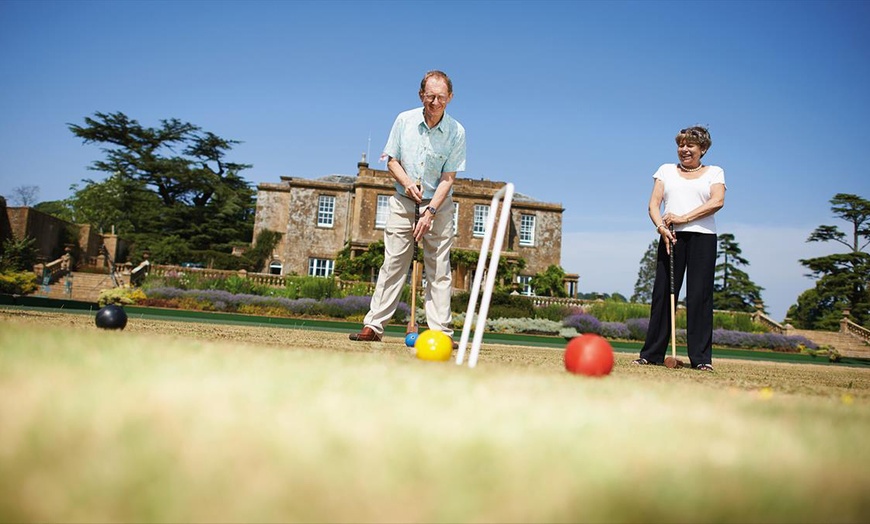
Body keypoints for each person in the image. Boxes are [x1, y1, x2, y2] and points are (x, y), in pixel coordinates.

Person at [349, 70, 466, 344]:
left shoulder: (457, 132)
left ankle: (441, 333)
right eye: (430, 96)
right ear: (420, 95)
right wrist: (408, 184)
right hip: (403, 201)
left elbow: (449, 178)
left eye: (440, 97)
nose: (434, 103)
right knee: (393, 263)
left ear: (450, 97)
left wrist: (430, 211)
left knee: (439, 269)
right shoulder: (404, 120)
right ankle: (374, 326)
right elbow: (391, 160)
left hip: (438, 205)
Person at [632, 126, 726, 371]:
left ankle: (702, 359)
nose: (684, 150)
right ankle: (651, 354)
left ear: (702, 149)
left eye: (690, 145)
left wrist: (684, 217)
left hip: (703, 238)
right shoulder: (665, 170)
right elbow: (653, 204)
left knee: (699, 296)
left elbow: (717, 201)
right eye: (681, 145)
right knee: (663, 294)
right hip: (670, 236)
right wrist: (661, 226)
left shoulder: (715, 172)